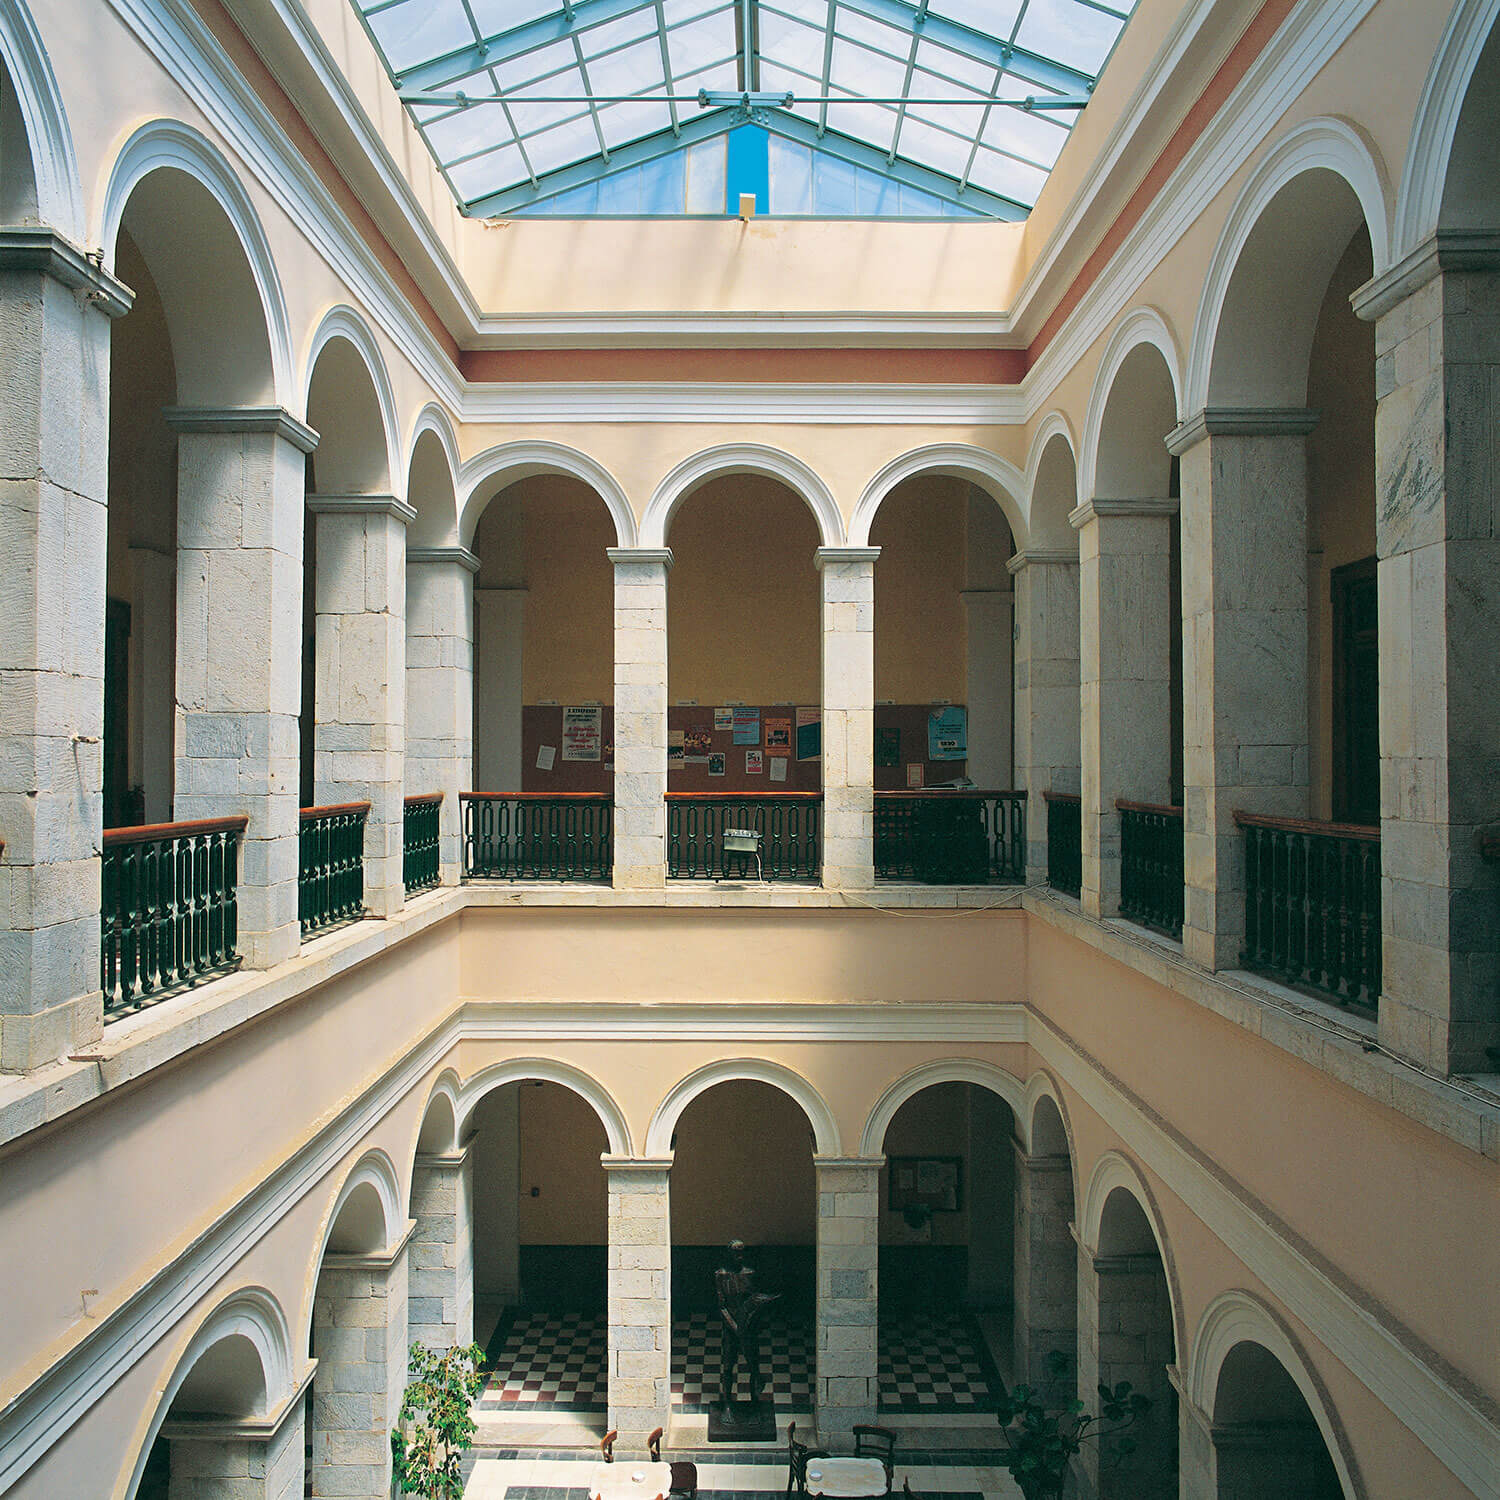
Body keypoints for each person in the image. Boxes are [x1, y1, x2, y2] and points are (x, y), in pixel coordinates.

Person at [715, 1238, 780, 1409]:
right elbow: (722, 1306)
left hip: (748, 1327)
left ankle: (754, 1401)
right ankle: (728, 1403)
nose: (739, 1255)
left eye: (741, 1251)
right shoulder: (721, 1275)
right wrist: (735, 1328)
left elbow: (752, 1299)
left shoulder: (749, 1274)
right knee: (728, 1366)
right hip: (731, 1329)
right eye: (735, 1252)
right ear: (729, 1253)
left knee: (753, 1366)